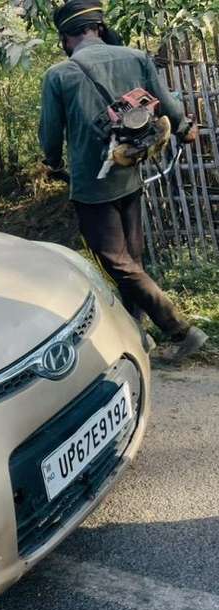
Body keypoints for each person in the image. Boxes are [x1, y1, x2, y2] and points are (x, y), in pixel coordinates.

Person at [39, 0, 208, 362]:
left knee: (116, 262)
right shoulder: (135, 57)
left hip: (92, 185)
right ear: (97, 27)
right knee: (132, 259)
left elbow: (51, 134)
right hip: (130, 174)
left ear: (67, 38)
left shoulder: (60, 75)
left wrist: (51, 162)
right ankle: (138, 335)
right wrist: (182, 129)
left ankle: (180, 329)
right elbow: (167, 104)